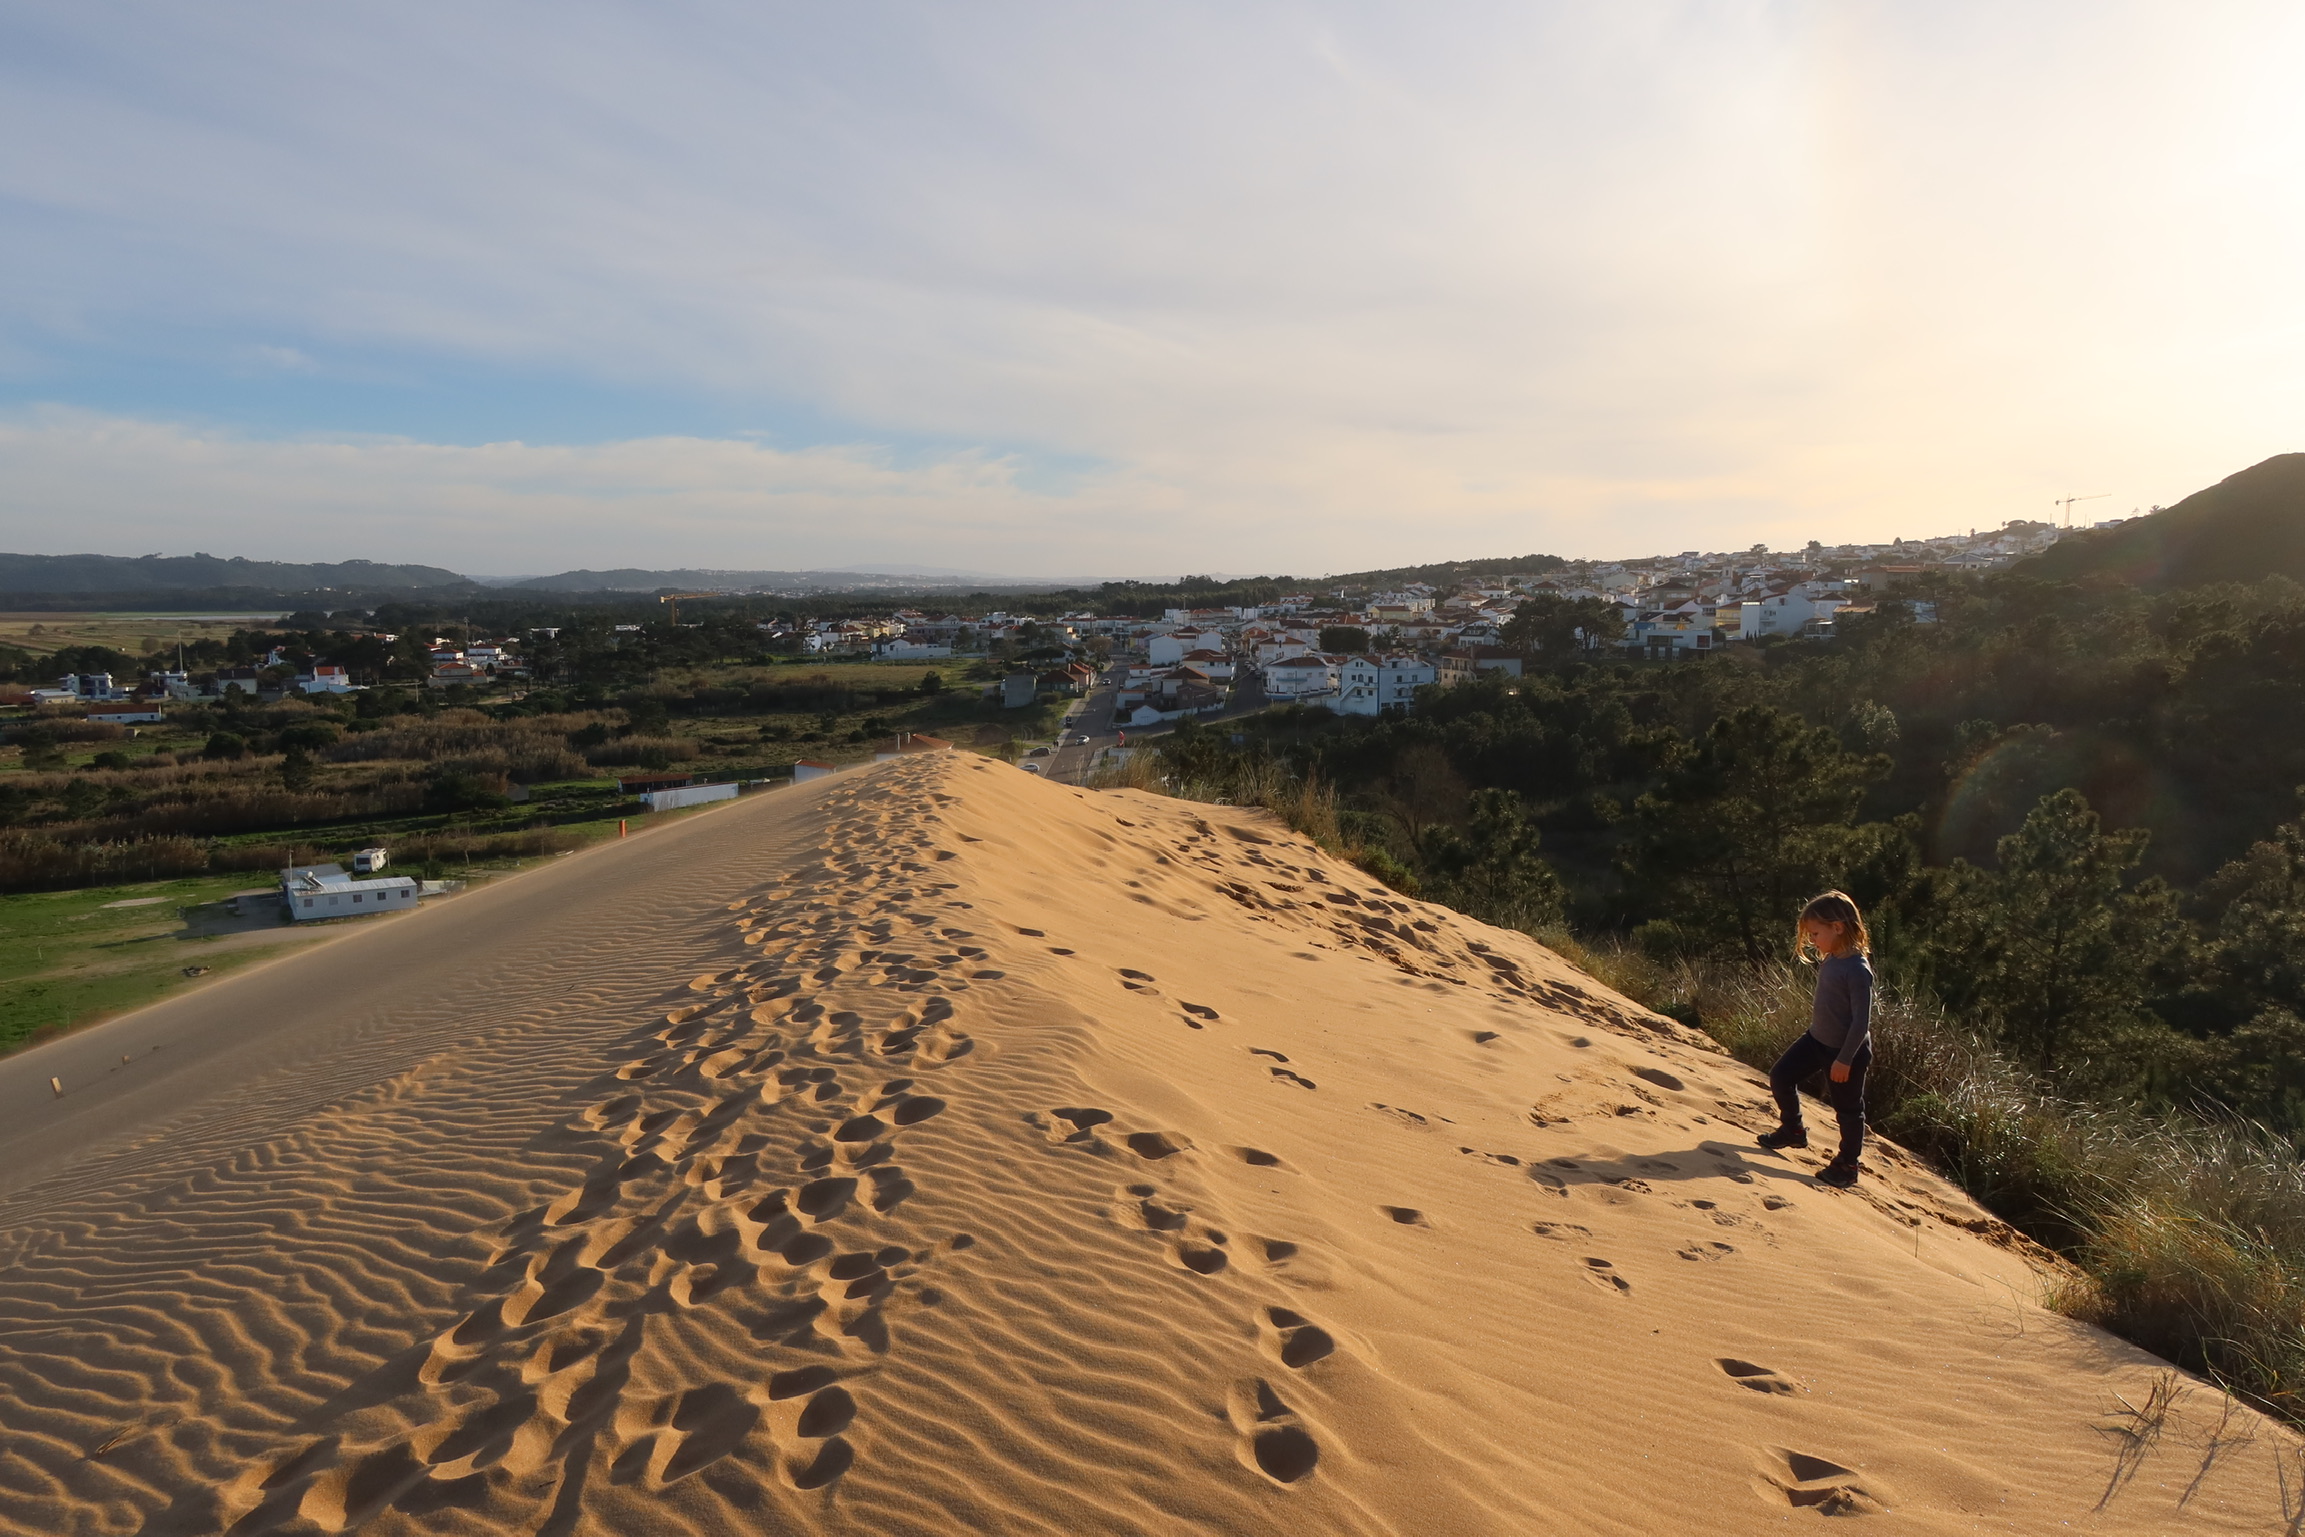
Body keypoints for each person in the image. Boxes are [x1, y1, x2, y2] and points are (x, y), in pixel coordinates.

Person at [1757, 891, 1873, 1188]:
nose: (1812, 940)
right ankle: (1793, 1130)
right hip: (1816, 1040)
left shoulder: (1858, 970)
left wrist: (1844, 1059)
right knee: (1781, 1076)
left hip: (1846, 1053)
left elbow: (1861, 1021)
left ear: (1838, 927)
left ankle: (1848, 1165)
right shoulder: (1831, 958)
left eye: (1815, 933)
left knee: (1849, 1111)